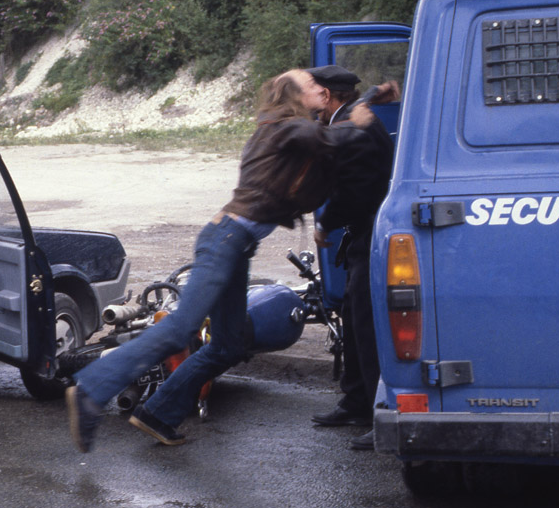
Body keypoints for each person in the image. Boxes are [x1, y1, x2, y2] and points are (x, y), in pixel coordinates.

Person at [67, 68, 377, 452]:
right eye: (312, 85)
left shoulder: (286, 128)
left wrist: (374, 96)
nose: (321, 88)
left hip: (237, 245)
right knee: (180, 328)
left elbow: (321, 149)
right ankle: (91, 389)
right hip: (224, 241)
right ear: (294, 95)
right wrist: (358, 120)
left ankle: (159, 413)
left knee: (228, 345)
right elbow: (329, 138)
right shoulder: (283, 128)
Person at [305, 65, 395, 451]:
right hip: (364, 234)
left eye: (311, 91)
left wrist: (325, 223)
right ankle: (357, 401)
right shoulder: (352, 116)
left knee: (368, 326)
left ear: (327, 96)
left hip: (373, 235)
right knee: (354, 318)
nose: (306, 99)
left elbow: (355, 191)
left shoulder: (355, 127)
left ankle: (379, 412)